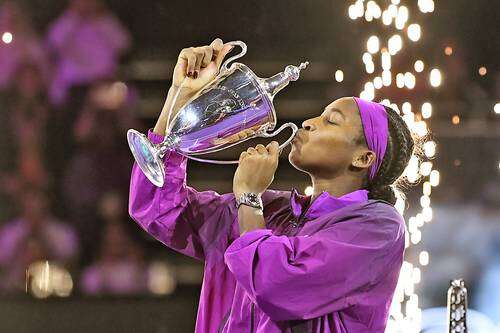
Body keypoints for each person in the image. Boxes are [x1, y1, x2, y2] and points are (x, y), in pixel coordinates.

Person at [129, 38, 415, 332]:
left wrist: (250, 199)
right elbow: (158, 209)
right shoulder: (275, 209)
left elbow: (278, 285)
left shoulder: (377, 227)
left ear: (364, 157)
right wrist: (180, 96)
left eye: (331, 121)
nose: (308, 123)